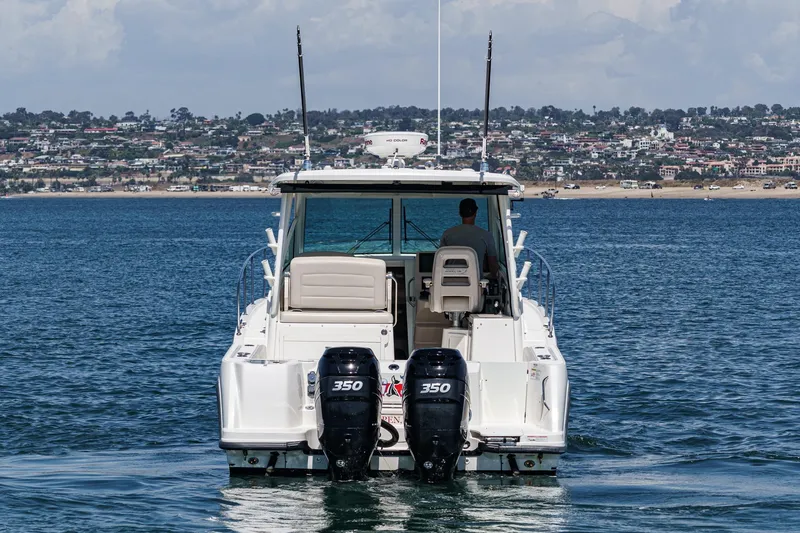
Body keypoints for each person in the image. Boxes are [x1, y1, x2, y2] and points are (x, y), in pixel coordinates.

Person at [440, 198, 499, 276]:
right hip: (476, 285)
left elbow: (441, 261)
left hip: (448, 283)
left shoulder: (447, 234)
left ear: (460, 214)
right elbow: (493, 266)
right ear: (475, 213)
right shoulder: (486, 236)